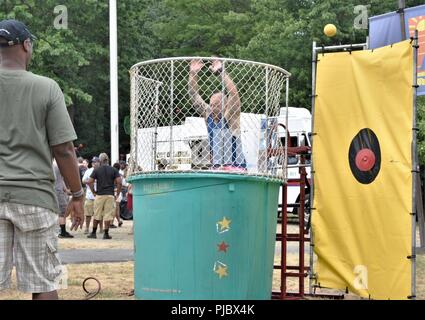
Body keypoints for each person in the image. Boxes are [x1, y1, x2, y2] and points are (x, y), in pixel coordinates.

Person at [0, 19, 84, 300]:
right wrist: (77, 194)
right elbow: (63, 149)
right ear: (26, 45)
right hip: (34, 197)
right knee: (44, 282)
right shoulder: (47, 88)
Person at [188, 58, 247, 169]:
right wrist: (193, 74)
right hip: (217, 167)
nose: (213, 107)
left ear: (225, 105)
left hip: (235, 167)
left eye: (217, 105)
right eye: (212, 104)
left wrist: (221, 72)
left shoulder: (230, 117)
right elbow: (194, 95)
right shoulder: (208, 115)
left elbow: (234, 93)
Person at [87, 153, 122, 240]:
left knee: (97, 214)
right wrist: (117, 193)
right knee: (108, 215)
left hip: (99, 195)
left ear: (100, 160)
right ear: (108, 160)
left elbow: (90, 181)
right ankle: (106, 234)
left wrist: (93, 192)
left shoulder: (97, 169)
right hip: (110, 194)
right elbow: (119, 182)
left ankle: (94, 233)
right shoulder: (114, 170)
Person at [53, 160, 73, 238]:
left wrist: (66, 190)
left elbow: (61, 180)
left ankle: (59, 230)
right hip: (58, 191)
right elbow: (64, 178)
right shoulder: (59, 165)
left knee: (56, 212)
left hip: (53, 190)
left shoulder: (51, 164)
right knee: (62, 212)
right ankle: (62, 232)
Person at [82, 157, 101, 234]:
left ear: (99, 163)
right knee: (88, 214)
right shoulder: (88, 171)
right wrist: (89, 182)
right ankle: (86, 228)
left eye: (96, 162)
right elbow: (83, 180)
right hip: (89, 195)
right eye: (93, 162)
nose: (94, 163)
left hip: (99, 195)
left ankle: (101, 228)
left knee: (100, 214)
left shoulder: (101, 171)